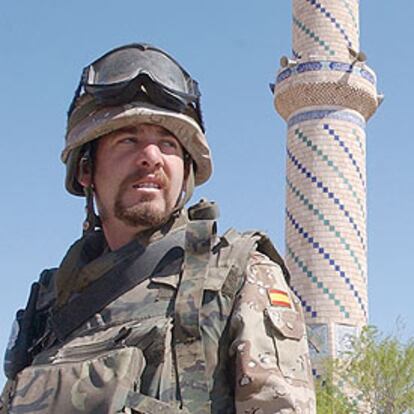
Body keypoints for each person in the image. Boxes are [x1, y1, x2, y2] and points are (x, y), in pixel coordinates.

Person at [0, 43, 315, 413]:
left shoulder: (238, 275)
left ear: (186, 171)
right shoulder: (49, 304)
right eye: (127, 139)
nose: (151, 157)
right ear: (86, 170)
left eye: (167, 143)